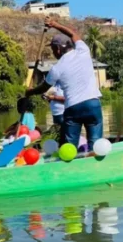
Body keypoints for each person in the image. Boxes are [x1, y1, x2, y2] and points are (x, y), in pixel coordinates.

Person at [26, 17, 103, 151]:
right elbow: (73, 34)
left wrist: (30, 92)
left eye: (53, 50)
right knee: (95, 145)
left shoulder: (56, 68)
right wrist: (54, 24)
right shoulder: (83, 51)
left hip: (73, 108)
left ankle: (69, 165)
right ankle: (95, 162)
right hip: (92, 104)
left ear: (58, 49)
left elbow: (44, 87)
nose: (53, 53)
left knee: (69, 148)